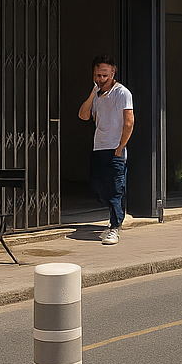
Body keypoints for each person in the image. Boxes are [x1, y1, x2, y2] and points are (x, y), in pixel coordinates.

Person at [78, 55, 134, 245]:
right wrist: (93, 93)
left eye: (104, 75)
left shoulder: (122, 93)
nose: (101, 79)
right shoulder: (98, 94)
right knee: (98, 187)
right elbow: (83, 115)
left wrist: (120, 148)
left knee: (115, 190)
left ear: (113, 72)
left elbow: (129, 122)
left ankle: (115, 227)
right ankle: (114, 220)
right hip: (99, 146)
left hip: (115, 149)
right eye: (97, 75)